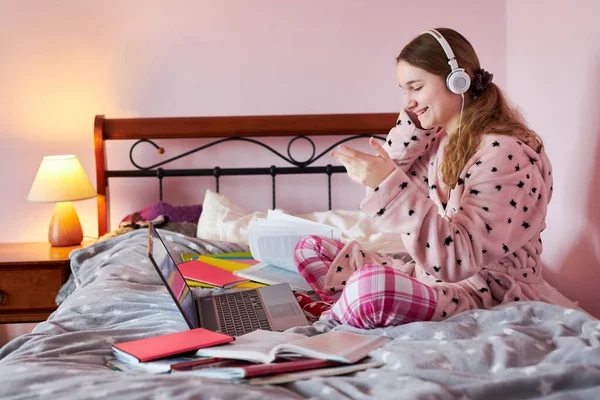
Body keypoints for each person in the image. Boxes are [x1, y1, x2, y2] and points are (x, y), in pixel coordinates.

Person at [293, 28, 553, 329]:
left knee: (370, 288)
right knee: (310, 247)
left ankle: (342, 311)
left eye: (415, 88)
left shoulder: (506, 155)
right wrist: (414, 129)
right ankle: (353, 304)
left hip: (483, 294)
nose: (407, 102)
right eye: (404, 90)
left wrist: (387, 183)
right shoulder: (443, 139)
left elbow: (456, 258)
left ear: (458, 81)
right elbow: (399, 186)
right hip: (428, 275)